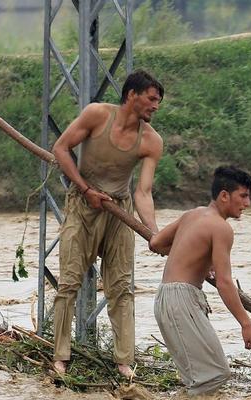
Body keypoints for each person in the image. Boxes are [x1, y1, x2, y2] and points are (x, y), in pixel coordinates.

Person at [49, 70, 166, 378]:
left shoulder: (152, 141)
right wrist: (86, 190)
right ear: (132, 95)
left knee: (121, 288)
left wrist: (153, 233)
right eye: (152, 99)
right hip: (81, 204)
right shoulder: (97, 115)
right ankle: (60, 357)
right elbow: (61, 149)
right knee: (69, 283)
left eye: (158, 102)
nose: (156, 106)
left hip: (118, 210)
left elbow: (143, 192)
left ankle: (124, 362)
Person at [148, 166, 251, 396]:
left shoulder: (193, 214)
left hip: (167, 297)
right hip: (181, 299)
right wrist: (246, 325)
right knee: (213, 376)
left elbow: (156, 243)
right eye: (243, 196)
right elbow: (224, 282)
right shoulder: (221, 228)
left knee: (205, 376)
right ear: (224, 195)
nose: (247, 203)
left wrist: (196, 255)